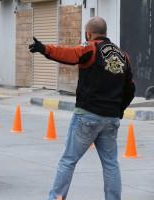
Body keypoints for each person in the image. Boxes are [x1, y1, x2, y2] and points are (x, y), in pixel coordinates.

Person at [29, 17, 135, 200]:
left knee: (68, 161)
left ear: (89, 33)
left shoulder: (91, 48)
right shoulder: (122, 55)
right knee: (111, 164)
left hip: (87, 116)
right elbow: (131, 88)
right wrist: (119, 110)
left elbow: (69, 54)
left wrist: (45, 49)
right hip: (111, 120)